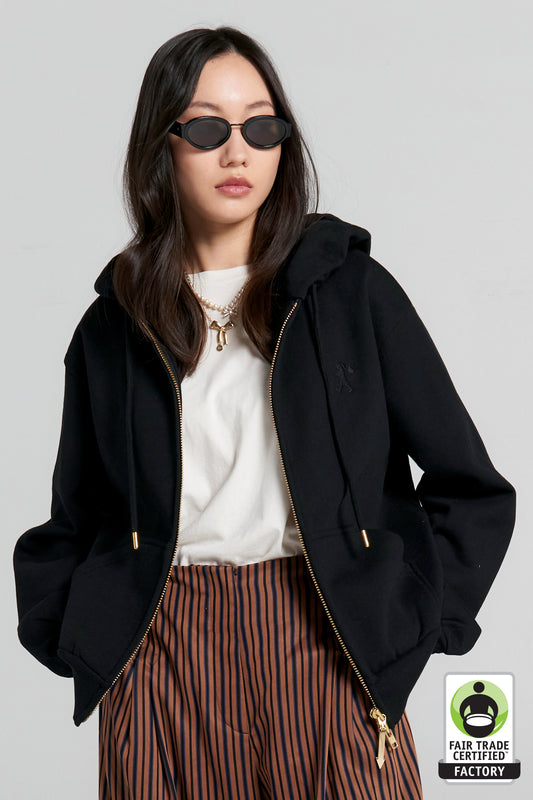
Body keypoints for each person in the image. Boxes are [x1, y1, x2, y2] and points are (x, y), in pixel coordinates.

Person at [12, 25, 516, 800]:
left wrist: (413, 623)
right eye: (206, 129)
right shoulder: (114, 327)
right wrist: (85, 639)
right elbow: (77, 515)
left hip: (327, 639)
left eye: (261, 126)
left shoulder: (348, 294)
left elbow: (469, 484)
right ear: (160, 146)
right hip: (162, 656)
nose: (237, 152)